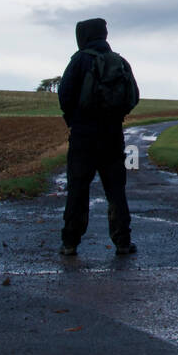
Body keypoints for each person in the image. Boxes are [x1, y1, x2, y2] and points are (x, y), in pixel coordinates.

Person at [57, 18, 140, 256]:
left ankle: (70, 243)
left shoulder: (79, 60)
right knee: (115, 190)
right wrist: (115, 116)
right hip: (112, 135)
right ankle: (123, 243)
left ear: (83, 36)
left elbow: (64, 96)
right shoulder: (120, 62)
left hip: (83, 136)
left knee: (77, 189)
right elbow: (134, 96)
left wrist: (75, 119)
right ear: (104, 35)